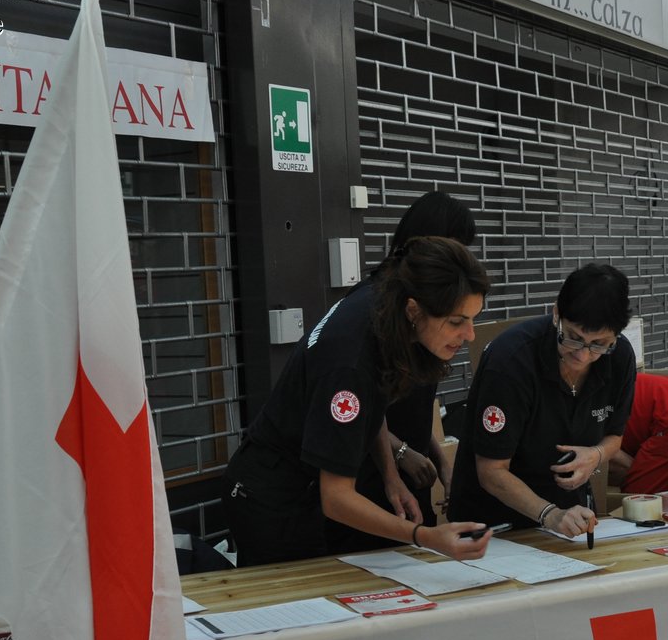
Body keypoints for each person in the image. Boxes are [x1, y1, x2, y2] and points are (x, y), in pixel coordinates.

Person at [222, 237, 493, 567]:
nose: (469, 335)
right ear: (414, 309)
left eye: (472, 318)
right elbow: (336, 498)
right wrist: (424, 537)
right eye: (456, 321)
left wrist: (390, 475)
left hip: (304, 484)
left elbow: (372, 403)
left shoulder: (382, 300)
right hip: (273, 496)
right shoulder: (349, 364)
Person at [326, 191, 477, 553]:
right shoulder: (375, 312)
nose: (467, 334)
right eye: (458, 323)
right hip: (364, 475)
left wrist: (441, 458)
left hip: (409, 468)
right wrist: (396, 459)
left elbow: (414, 397)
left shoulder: (425, 313)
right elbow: (367, 401)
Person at [449, 264, 637, 535]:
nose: (583, 355)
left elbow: (613, 436)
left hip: (569, 519)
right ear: (556, 314)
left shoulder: (619, 358)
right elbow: (491, 471)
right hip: (495, 523)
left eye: (598, 344)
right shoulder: (511, 362)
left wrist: (595, 455)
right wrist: (549, 514)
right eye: (573, 337)